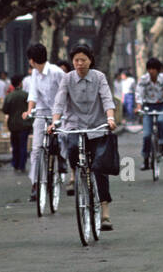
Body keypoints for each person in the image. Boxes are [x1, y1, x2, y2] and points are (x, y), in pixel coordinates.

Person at [50, 43, 117, 230]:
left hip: (97, 126)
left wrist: (110, 118)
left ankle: (105, 213)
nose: (79, 64)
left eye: (83, 60)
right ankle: (74, 175)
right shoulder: (67, 79)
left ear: (90, 61)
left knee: (100, 168)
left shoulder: (99, 77)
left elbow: (107, 99)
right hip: (75, 125)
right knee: (71, 148)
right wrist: (55, 122)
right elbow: (59, 102)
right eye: (76, 60)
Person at [25, 43, 66, 203]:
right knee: (36, 150)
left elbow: (65, 92)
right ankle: (36, 183)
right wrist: (29, 111)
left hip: (59, 112)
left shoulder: (56, 72)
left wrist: (61, 114)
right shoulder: (35, 73)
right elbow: (33, 94)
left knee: (62, 139)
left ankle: (62, 160)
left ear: (32, 60)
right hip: (42, 112)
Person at [136, 58, 163, 169]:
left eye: (153, 69)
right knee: (147, 135)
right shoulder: (143, 80)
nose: (151, 71)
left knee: (162, 121)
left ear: (158, 70)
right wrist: (138, 107)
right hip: (148, 106)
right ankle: (146, 159)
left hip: (161, 105)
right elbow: (139, 93)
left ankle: (162, 143)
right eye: (149, 69)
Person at [3, 74, 31, 174]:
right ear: (20, 83)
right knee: (23, 145)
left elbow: (5, 110)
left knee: (15, 145)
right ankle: (22, 165)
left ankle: (15, 164)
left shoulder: (9, 96)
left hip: (13, 125)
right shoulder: (26, 95)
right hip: (24, 124)